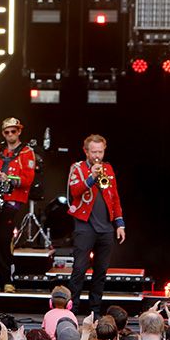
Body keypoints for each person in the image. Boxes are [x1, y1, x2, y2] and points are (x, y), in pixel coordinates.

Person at [65, 134, 125, 315]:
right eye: (93, 152)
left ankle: (95, 311)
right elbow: (75, 191)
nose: (97, 155)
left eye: (100, 151)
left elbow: (114, 197)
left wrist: (119, 223)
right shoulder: (77, 168)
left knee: (101, 271)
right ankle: (72, 310)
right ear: (86, 151)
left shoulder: (109, 168)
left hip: (106, 227)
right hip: (85, 226)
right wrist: (91, 176)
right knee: (79, 269)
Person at [0, 117, 36, 293]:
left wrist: (9, 178)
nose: (10, 134)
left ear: (19, 131)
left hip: (11, 201)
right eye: (7, 132)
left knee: (3, 237)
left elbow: (28, 179)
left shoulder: (27, 152)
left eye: (14, 131)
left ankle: (7, 279)